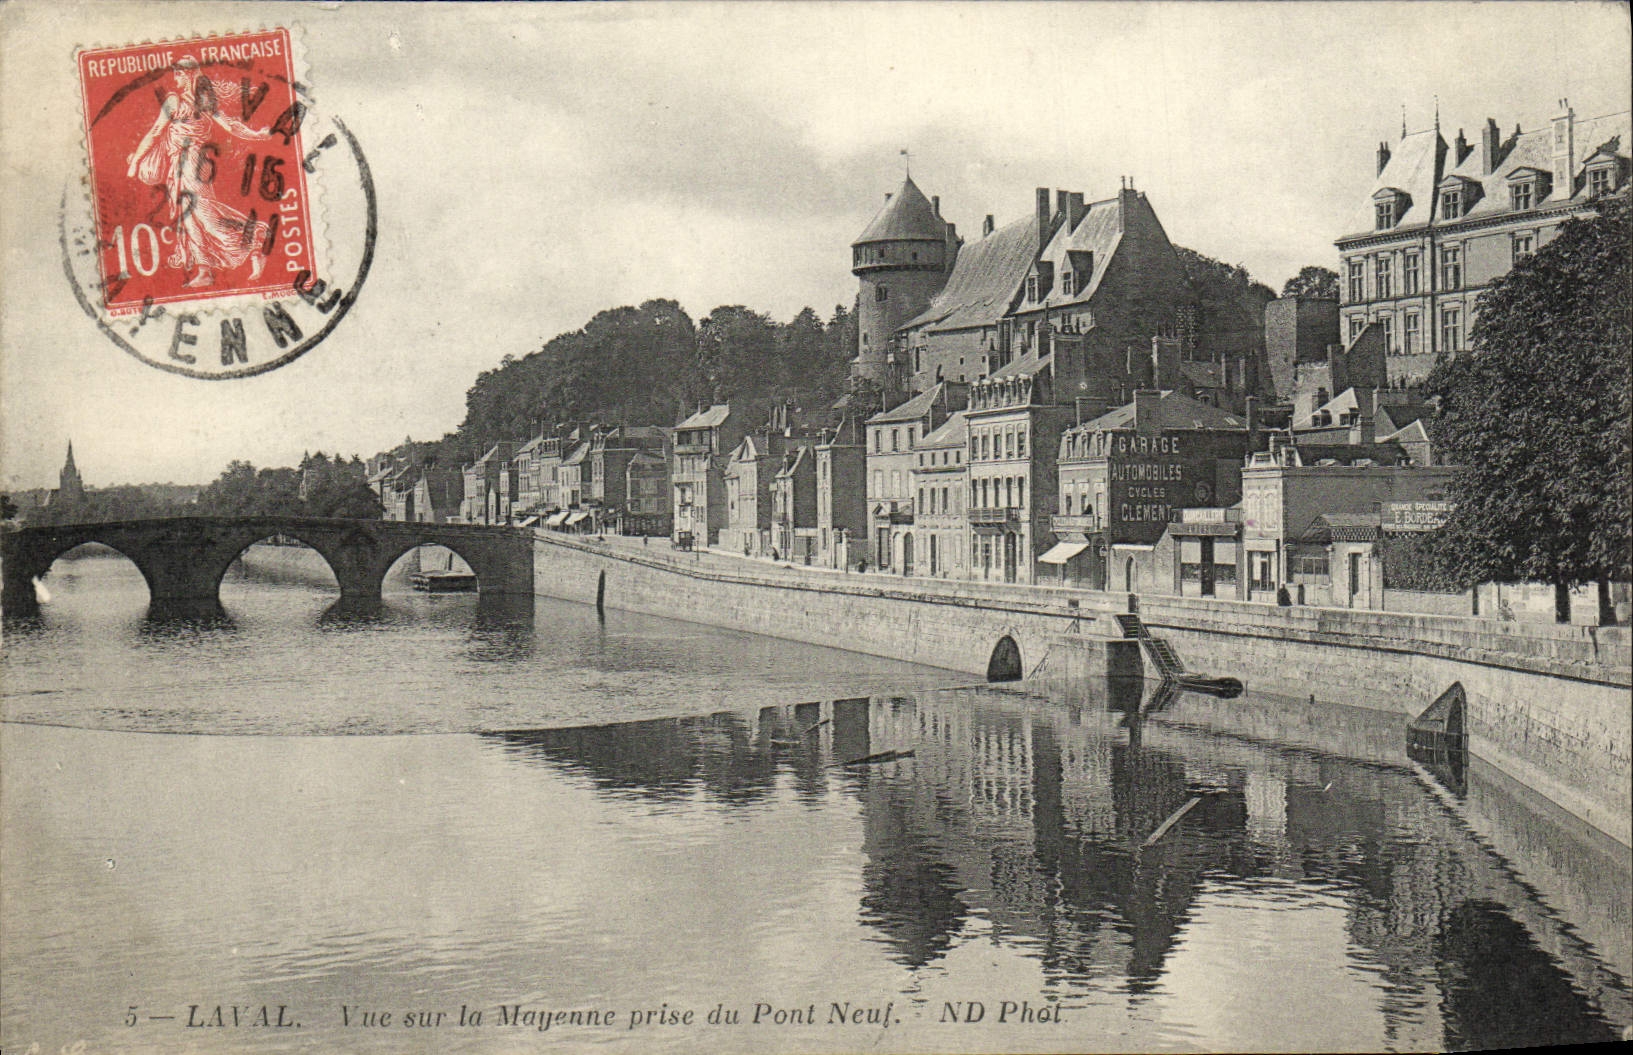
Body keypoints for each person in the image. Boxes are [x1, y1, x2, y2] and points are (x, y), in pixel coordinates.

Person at [125, 58, 274, 289]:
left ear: (189, 74)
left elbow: (230, 125)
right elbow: (155, 132)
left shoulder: (202, 101)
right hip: (178, 164)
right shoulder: (175, 101)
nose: (176, 79)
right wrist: (136, 159)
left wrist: (257, 135)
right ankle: (204, 271)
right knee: (188, 218)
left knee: (207, 218)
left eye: (179, 75)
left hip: (194, 162)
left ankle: (257, 241)